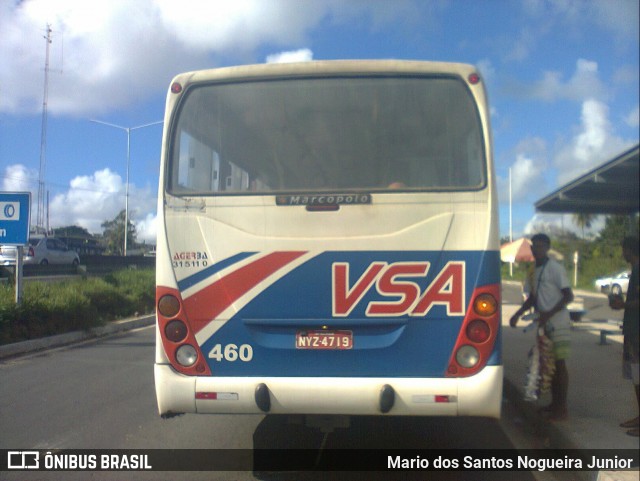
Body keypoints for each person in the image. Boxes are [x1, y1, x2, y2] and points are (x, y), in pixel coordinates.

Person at [510, 233, 574, 421]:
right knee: (548, 365)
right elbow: (532, 298)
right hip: (543, 324)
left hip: (558, 323)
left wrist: (549, 313)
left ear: (547, 247)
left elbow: (568, 296)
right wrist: (518, 313)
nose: (536, 249)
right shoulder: (533, 270)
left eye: (540, 246)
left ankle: (562, 409)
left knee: (560, 365)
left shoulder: (555, 268)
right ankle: (555, 404)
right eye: (534, 246)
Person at [609, 236, 639, 437]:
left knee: (639, 374)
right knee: (635, 375)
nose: (622, 254)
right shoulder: (635, 271)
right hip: (632, 329)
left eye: (624, 249)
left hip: (637, 331)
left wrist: (622, 305)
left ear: (630, 249)